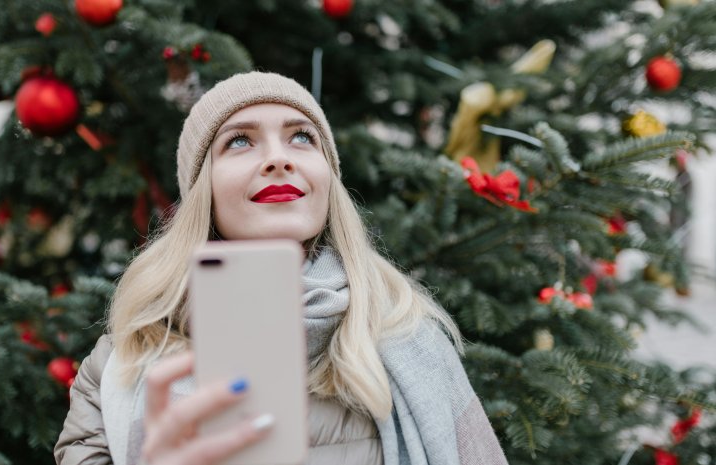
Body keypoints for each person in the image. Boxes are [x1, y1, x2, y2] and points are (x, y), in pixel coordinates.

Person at [55, 72, 508, 465]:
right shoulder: (120, 366)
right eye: (239, 140)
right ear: (202, 191)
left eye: (301, 136)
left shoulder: (410, 337)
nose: (278, 158)